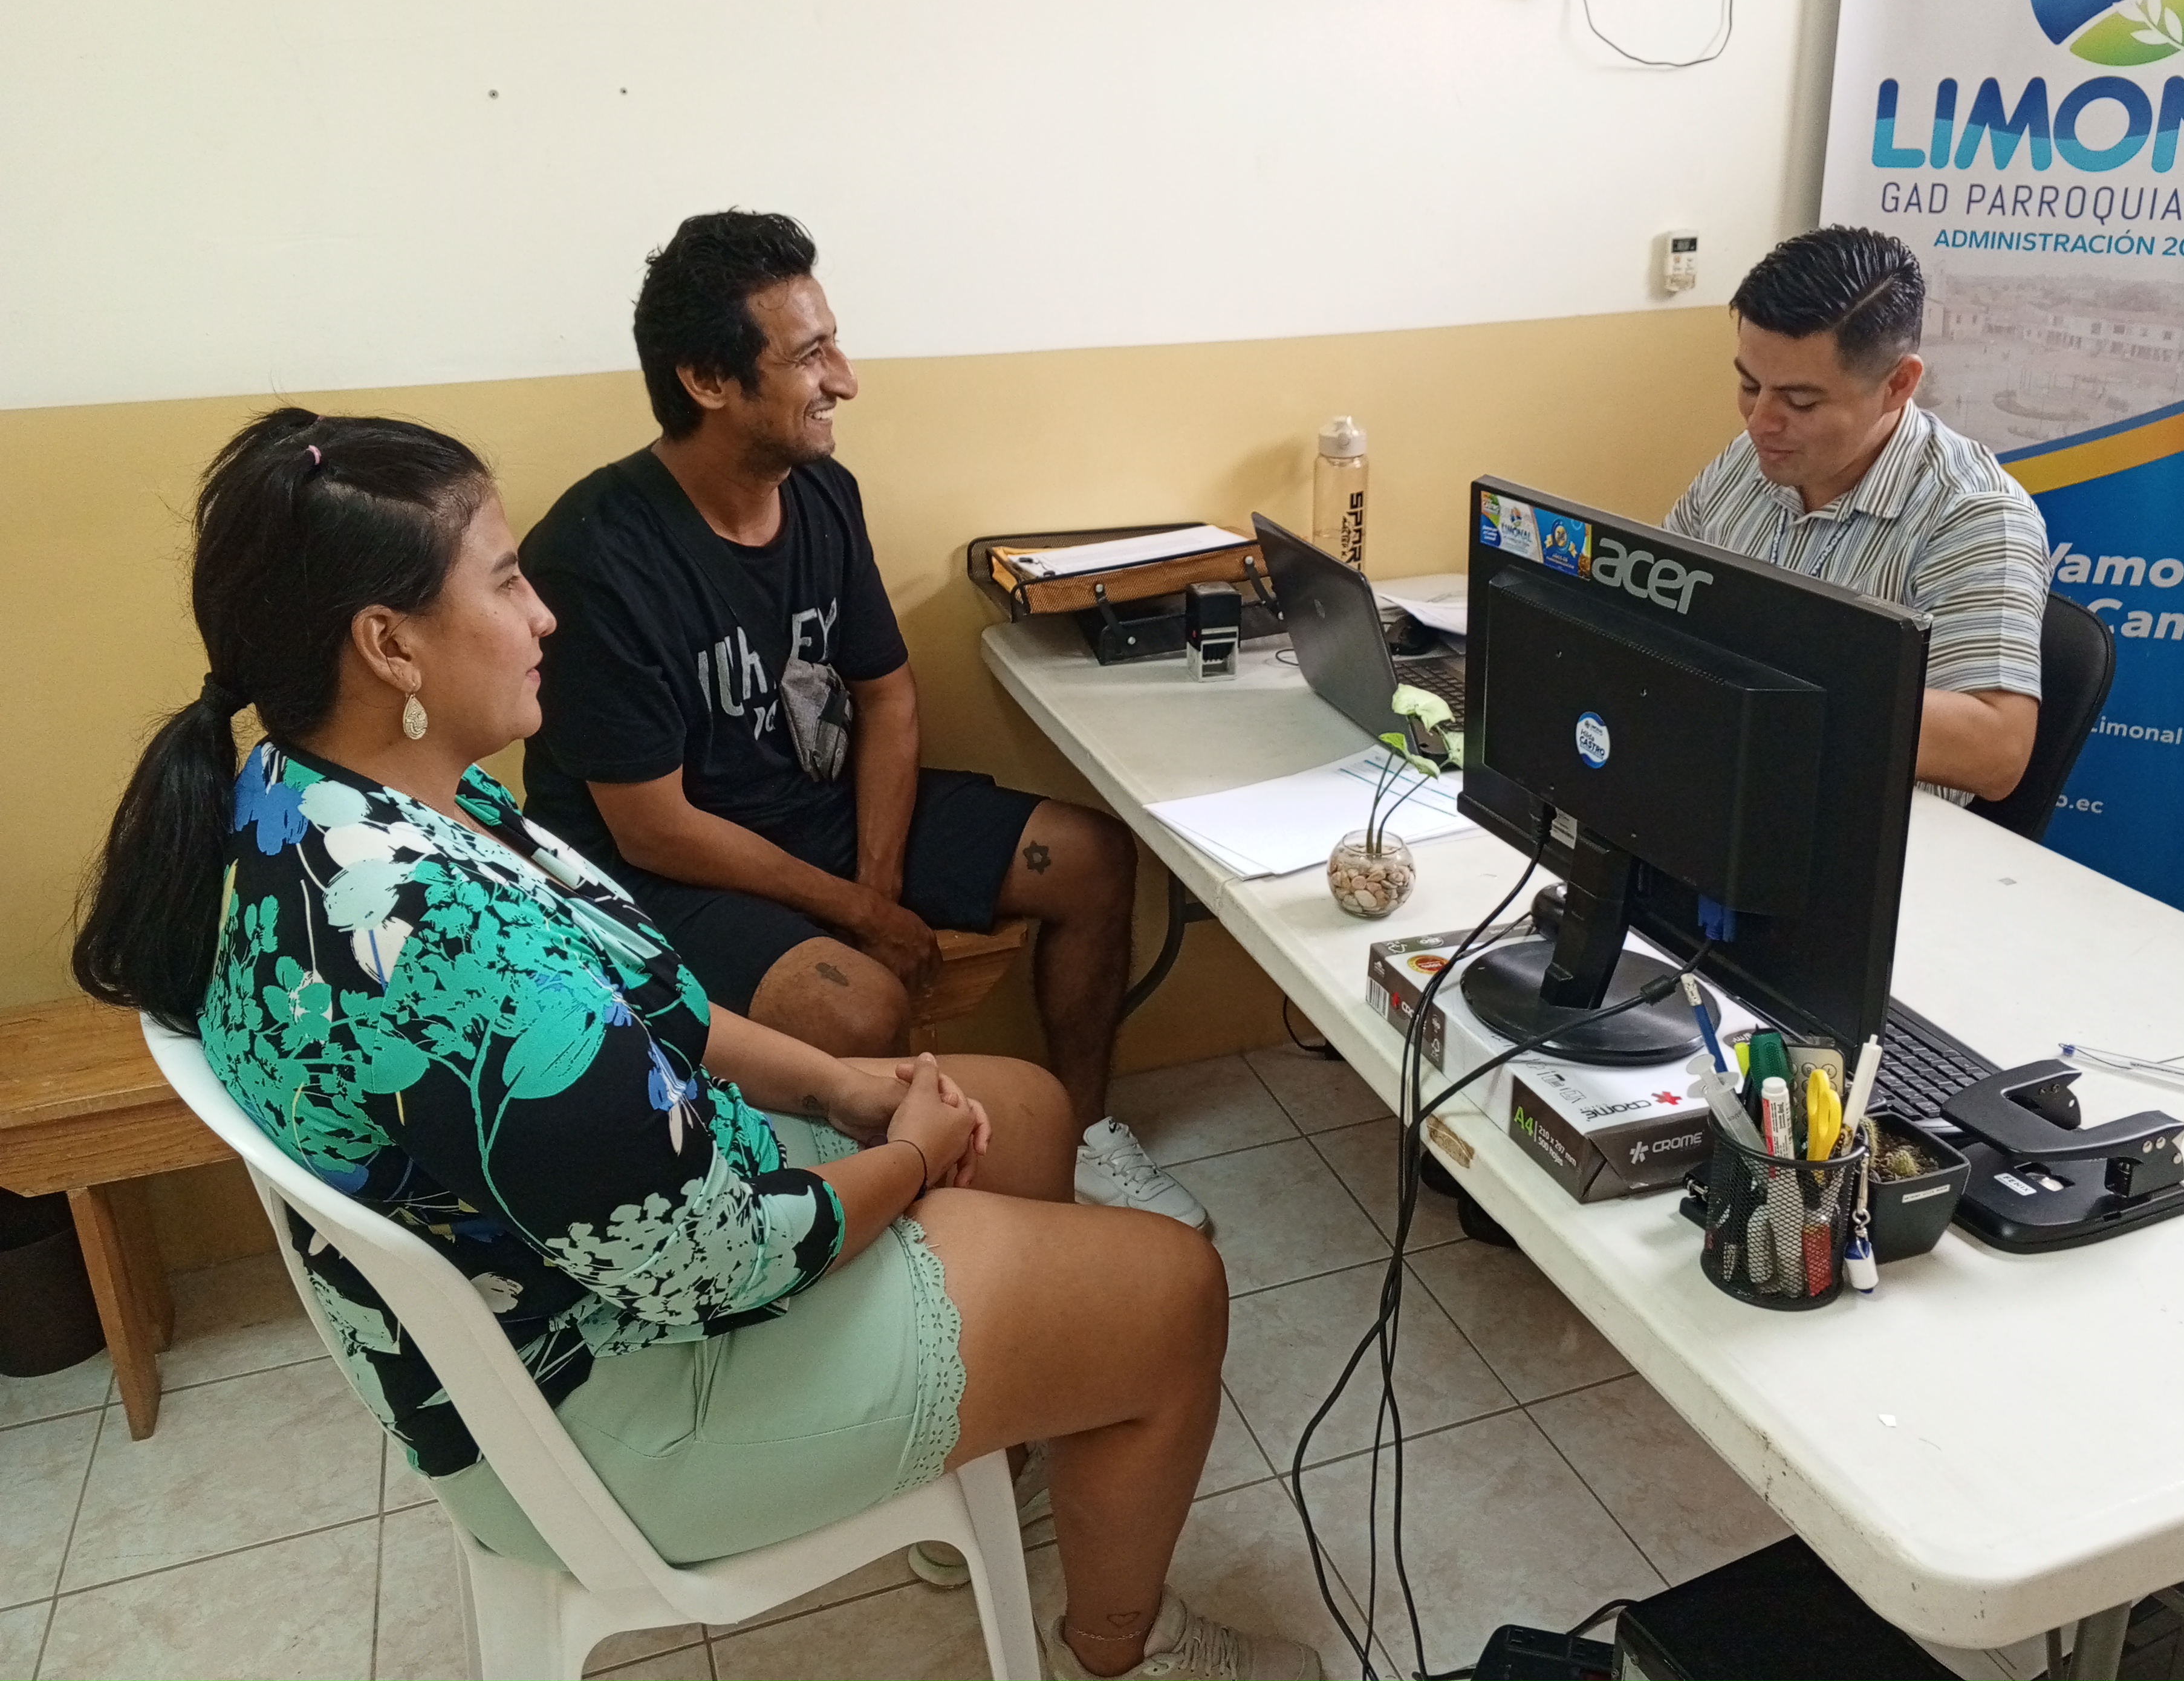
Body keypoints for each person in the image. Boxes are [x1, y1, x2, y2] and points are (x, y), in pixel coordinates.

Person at [70, 411, 1318, 1681]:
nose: (544, 614)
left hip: (575, 1271)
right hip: (607, 1409)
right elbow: (719, 1263)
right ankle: (1124, 1654)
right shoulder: (450, 951)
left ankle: (1021, 1428)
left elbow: (638, 992)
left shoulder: (326, 798)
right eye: (505, 581)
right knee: (1174, 1289)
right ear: (389, 644)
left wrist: (842, 1085)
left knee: (1028, 1106)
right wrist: (906, 1159)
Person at [518, 211, 1203, 1229]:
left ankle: (1085, 1133)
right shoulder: (594, 555)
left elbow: (886, 693)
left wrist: (875, 889)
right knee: (858, 1004)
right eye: (809, 355)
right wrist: (858, 916)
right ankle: (902, 1217)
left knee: (1094, 857)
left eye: (832, 344)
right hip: (667, 872)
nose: (844, 379)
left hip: (814, 814)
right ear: (707, 380)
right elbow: (653, 828)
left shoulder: (823, 494)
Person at [1667, 226, 2050, 804]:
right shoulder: (1751, 459)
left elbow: (1997, 751)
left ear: (1898, 384)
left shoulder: (1975, 514)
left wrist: (1772, 692)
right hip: (1720, 780)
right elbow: (1656, 601)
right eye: (1749, 385)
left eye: (1801, 402)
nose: (1760, 422)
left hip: (1855, 820)